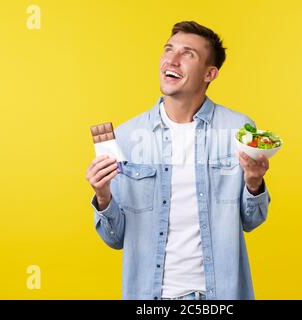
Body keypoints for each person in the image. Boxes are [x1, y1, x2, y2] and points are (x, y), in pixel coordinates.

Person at [86, 21, 271, 300]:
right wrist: (103, 196)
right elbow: (115, 239)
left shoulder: (239, 130)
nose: (172, 60)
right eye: (169, 49)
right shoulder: (125, 137)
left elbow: (252, 221)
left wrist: (254, 183)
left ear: (210, 73)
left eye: (188, 54)